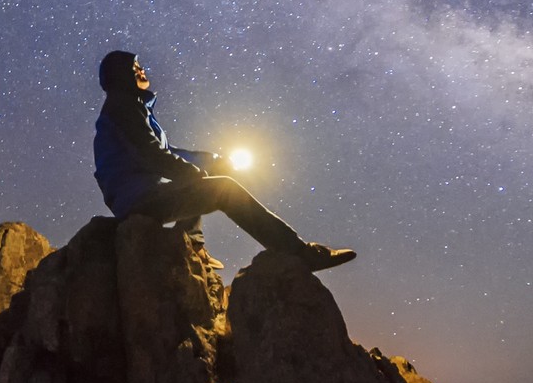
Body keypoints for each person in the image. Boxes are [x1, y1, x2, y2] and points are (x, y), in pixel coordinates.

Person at [92, 50, 355, 271]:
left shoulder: (130, 108)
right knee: (223, 189)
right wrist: (196, 173)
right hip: (137, 198)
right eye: (134, 66)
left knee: (200, 174)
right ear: (120, 74)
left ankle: (192, 244)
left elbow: (165, 151)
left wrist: (211, 161)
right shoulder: (122, 106)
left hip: (140, 193)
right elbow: (152, 155)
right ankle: (298, 252)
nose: (142, 70)